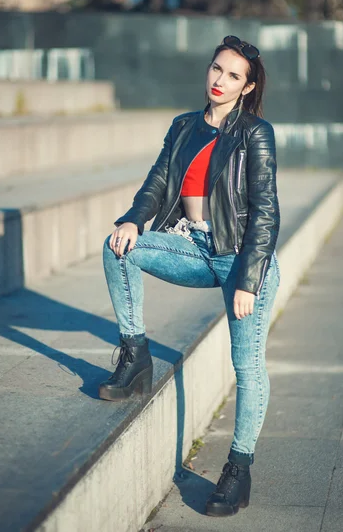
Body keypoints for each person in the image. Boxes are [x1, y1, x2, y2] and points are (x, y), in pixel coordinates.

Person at [101, 35, 281, 517]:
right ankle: (136, 354)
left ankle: (238, 471)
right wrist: (134, 219)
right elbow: (157, 184)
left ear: (247, 87)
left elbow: (265, 211)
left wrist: (249, 279)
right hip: (192, 246)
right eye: (216, 69)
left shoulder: (255, 133)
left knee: (247, 366)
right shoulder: (184, 126)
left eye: (233, 76)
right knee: (118, 248)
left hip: (241, 258)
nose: (220, 81)